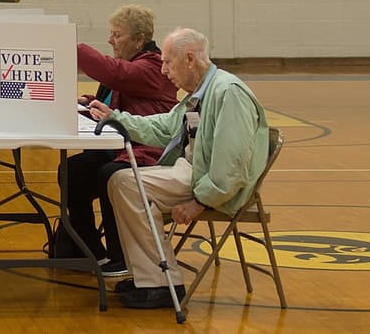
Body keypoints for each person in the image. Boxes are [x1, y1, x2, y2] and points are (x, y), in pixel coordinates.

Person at [86, 27, 269, 309]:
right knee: (120, 180)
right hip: (195, 172)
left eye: (168, 62)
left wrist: (200, 202)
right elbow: (164, 127)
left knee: (126, 182)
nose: (163, 70)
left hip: (213, 184)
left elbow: (232, 168)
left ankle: (162, 282)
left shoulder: (228, 93)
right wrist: (116, 118)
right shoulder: (199, 92)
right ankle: (149, 277)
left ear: (190, 59)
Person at [60, 4, 177, 278]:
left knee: (108, 175)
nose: (110, 40)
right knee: (73, 170)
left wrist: (70, 45)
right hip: (122, 146)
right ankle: (87, 248)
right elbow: (118, 95)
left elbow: (115, 74)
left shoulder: (152, 67)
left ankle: (120, 255)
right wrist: (89, 103)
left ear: (138, 39)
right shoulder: (133, 64)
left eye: (117, 35)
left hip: (147, 150)